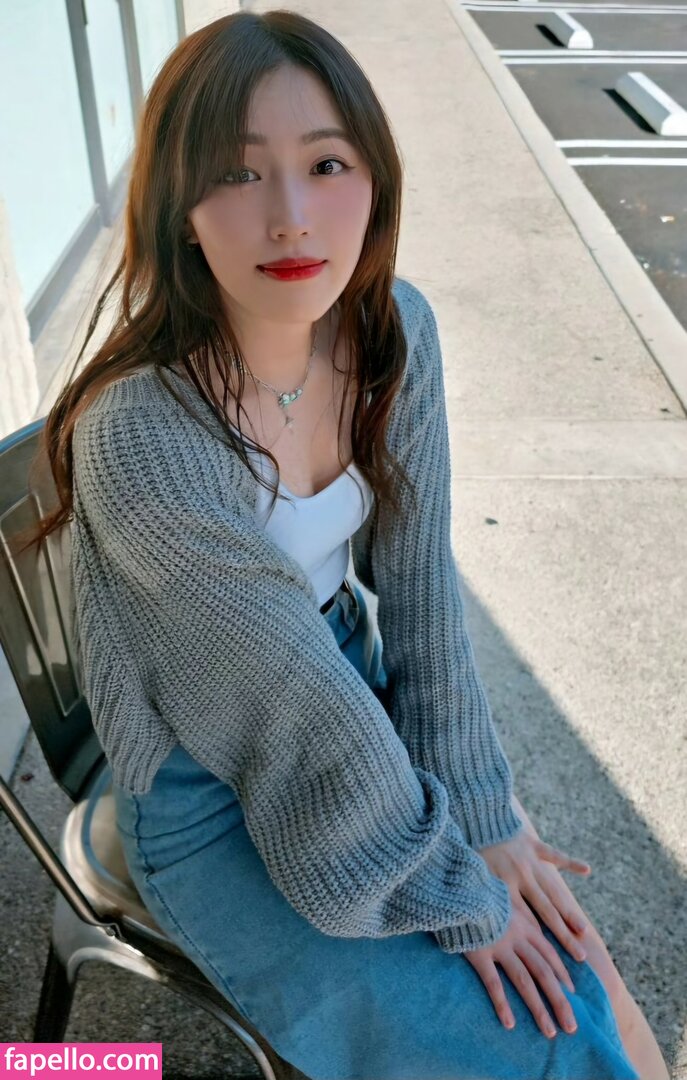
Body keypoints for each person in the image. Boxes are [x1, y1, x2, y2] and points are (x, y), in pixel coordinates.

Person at [24, 10, 669, 1080]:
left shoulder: (392, 335)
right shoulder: (141, 436)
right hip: (205, 796)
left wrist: (484, 811)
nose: (290, 218)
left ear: (376, 181)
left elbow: (420, 597)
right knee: (545, 1047)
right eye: (237, 174)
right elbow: (296, 717)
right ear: (180, 209)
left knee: (582, 971)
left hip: (347, 705)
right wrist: (460, 893)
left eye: (326, 164)